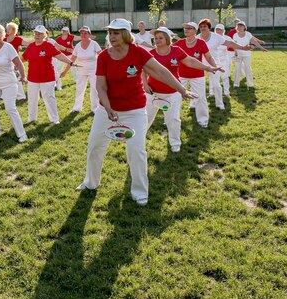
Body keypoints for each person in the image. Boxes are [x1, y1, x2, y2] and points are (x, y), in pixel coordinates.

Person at [76, 19, 197, 205]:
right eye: (110, 33)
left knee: (136, 151)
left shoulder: (138, 52)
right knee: (94, 147)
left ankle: (140, 192)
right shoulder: (103, 56)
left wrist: (182, 90)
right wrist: (108, 108)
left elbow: (161, 72)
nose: (112, 37)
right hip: (106, 109)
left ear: (125, 34)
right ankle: (90, 183)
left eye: (116, 33)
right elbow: (100, 85)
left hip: (135, 111)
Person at [143, 27, 221, 152]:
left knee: (173, 120)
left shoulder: (176, 50)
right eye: (155, 38)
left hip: (173, 93)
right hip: (153, 93)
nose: (157, 40)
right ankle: (138, 143)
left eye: (160, 38)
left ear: (167, 39)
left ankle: (175, 145)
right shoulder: (151, 53)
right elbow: (144, 69)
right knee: (144, 120)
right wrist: (145, 84)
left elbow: (190, 61)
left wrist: (207, 67)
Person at [173, 21, 221, 128]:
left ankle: (203, 120)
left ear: (195, 31)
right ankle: (173, 119)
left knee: (200, 98)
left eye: (189, 28)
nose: (186, 30)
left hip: (197, 75)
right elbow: (168, 51)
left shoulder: (201, 43)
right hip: (181, 75)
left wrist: (214, 66)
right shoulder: (179, 43)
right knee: (176, 98)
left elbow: (208, 57)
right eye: (185, 28)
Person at [22, 25, 74, 124]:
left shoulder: (49, 45)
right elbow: (23, 58)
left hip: (47, 78)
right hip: (32, 78)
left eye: (40, 34)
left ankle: (54, 119)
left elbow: (59, 55)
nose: (37, 35)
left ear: (45, 35)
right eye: (36, 33)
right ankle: (31, 118)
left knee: (49, 99)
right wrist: (15, 65)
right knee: (32, 99)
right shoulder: (31, 46)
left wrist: (70, 62)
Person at [198, 19, 251, 110]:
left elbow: (229, 43)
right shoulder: (197, 37)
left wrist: (242, 47)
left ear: (209, 28)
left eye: (205, 26)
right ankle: (196, 103)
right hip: (200, 63)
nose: (203, 28)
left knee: (218, 83)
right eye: (201, 27)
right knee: (198, 84)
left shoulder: (217, 37)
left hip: (215, 62)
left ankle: (220, 102)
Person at [62, 26, 102, 113]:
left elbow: (102, 56)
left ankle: (95, 108)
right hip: (81, 70)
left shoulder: (94, 44)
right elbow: (71, 60)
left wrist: (104, 68)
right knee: (79, 88)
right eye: (81, 33)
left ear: (89, 34)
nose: (83, 35)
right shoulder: (77, 46)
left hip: (93, 70)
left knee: (94, 89)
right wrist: (65, 71)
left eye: (85, 33)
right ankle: (77, 107)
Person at [232, 21, 268, 88]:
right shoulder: (235, 35)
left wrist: (261, 48)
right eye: (238, 26)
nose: (239, 27)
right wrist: (236, 52)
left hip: (247, 55)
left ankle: (250, 84)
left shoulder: (248, 34)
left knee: (248, 69)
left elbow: (255, 42)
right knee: (237, 69)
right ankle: (236, 84)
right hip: (238, 55)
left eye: (241, 26)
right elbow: (234, 45)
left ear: (244, 27)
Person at [4, 22, 26, 100]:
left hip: (15, 62)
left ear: (14, 30)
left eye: (9, 28)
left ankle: (21, 96)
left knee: (17, 78)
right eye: (7, 28)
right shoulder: (4, 39)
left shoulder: (18, 39)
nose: (7, 30)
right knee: (6, 79)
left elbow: (28, 45)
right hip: (6, 62)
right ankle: (4, 95)